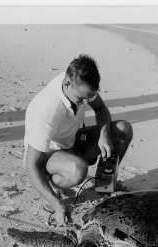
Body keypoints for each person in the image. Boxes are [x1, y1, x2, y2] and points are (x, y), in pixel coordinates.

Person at [24, 54, 133, 227]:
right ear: (67, 83)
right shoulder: (45, 112)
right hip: (50, 155)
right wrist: (56, 205)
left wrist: (104, 136)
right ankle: (54, 190)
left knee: (123, 130)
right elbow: (31, 166)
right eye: (81, 99)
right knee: (78, 170)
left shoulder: (79, 83)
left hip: (74, 139)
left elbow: (100, 109)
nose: (85, 101)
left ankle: (105, 185)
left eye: (88, 97)